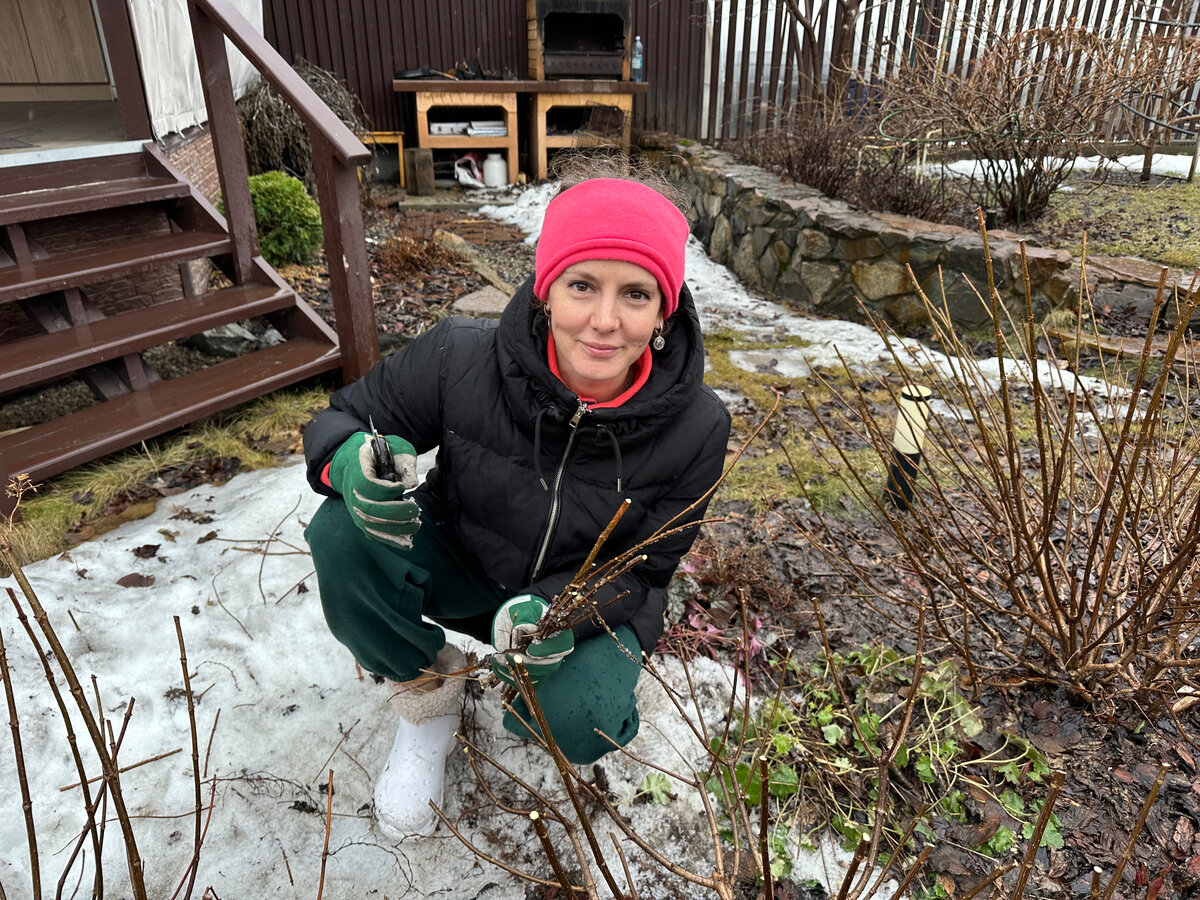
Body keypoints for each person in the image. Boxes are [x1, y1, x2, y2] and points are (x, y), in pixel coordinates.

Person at [302, 165, 731, 839]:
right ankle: (426, 700)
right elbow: (349, 415)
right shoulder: (459, 355)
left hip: (573, 606)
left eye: (636, 294)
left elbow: (648, 567)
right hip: (465, 560)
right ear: (546, 291)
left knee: (583, 718)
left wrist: (561, 610)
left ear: (663, 313)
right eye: (582, 285)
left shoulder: (699, 425)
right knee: (340, 533)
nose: (604, 320)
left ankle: (538, 693)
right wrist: (352, 461)